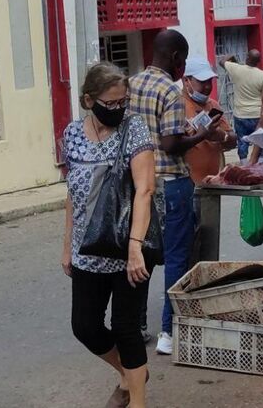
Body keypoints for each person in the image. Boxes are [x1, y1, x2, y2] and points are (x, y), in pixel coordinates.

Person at [62, 63, 156, 408]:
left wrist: (135, 249)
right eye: (111, 103)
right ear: (89, 100)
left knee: (126, 327)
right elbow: (73, 193)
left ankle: (138, 401)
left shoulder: (134, 129)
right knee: (85, 326)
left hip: (129, 244)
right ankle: (130, 373)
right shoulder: (72, 134)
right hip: (87, 248)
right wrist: (67, 246)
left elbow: (144, 189)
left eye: (123, 103)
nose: (118, 109)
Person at [128, 29, 219, 356]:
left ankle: (134, 325)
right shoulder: (169, 90)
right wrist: (201, 134)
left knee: (142, 256)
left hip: (139, 185)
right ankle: (169, 331)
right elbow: (170, 144)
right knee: (177, 258)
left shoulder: (132, 84)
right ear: (177, 59)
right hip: (171, 183)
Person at [182, 56, 237, 184]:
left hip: (212, 183)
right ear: (186, 81)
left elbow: (233, 140)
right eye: (202, 82)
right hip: (187, 184)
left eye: (210, 81)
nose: (207, 86)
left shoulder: (213, 105)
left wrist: (221, 136)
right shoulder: (176, 106)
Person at [220, 49, 263, 160]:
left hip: (240, 115)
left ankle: (244, 164)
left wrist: (232, 54)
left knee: (242, 140)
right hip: (257, 114)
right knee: (260, 140)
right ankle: (260, 163)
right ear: (258, 61)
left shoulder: (237, 69)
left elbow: (222, 62)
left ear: (246, 58)